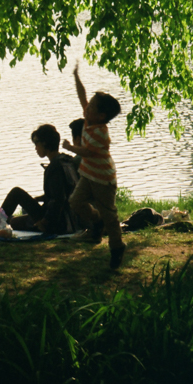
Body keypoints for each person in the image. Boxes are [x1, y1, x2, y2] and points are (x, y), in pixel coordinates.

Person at [62, 64, 126, 270]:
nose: (86, 108)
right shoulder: (90, 119)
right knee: (75, 202)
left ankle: (117, 248)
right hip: (89, 176)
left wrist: (70, 147)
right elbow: (82, 96)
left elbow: (88, 152)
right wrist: (76, 76)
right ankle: (96, 221)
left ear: (101, 116)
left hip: (103, 179)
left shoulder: (100, 132)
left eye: (91, 107)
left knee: (111, 215)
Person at [0, 124, 80, 235]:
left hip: (58, 224)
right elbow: (63, 191)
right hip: (73, 219)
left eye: (36, 144)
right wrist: (40, 198)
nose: (35, 148)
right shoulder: (67, 161)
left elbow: (59, 199)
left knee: (16, 193)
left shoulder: (54, 167)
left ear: (44, 143)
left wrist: (45, 221)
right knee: (14, 221)